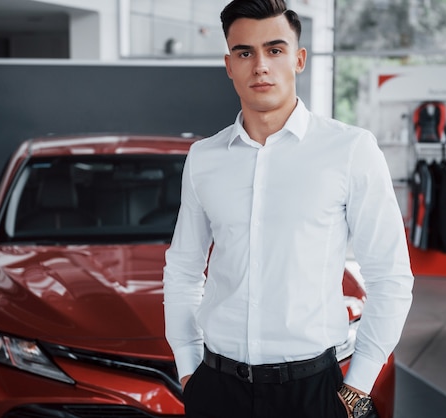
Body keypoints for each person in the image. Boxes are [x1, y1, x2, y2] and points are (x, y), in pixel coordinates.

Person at [163, 0, 414, 416]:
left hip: (314, 392)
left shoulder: (350, 149)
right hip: (218, 389)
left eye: (274, 50)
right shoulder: (204, 157)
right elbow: (184, 269)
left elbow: (391, 277)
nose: (260, 65)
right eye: (245, 53)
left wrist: (357, 388)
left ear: (298, 59)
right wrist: (190, 369)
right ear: (229, 65)